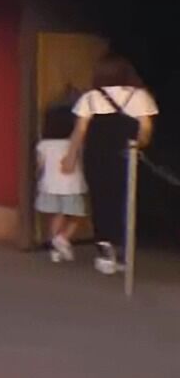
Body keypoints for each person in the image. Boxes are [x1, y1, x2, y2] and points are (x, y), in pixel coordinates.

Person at [62, 55, 158, 275]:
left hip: (97, 156)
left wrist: (70, 157)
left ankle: (105, 250)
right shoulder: (140, 96)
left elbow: (80, 130)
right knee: (126, 200)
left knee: (100, 199)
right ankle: (124, 248)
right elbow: (145, 129)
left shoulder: (91, 97)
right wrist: (137, 145)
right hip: (126, 156)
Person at [35, 104, 86, 263]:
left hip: (50, 185)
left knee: (56, 215)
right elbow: (81, 161)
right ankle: (63, 238)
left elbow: (40, 165)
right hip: (71, 186)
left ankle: (55, 249)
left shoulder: (43, 145)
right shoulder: (73, 144)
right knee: (77, 215)